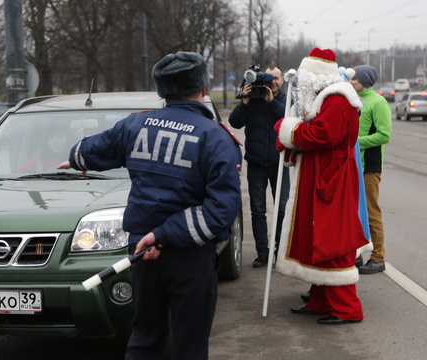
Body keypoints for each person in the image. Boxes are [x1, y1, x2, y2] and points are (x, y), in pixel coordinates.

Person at [58, 52, 242, 359]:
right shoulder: (216, 138)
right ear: (203, 89)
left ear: (162, 91)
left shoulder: (136, 124)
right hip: (190, 257)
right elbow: (221, 211)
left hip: (142, 253)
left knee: (146, 337)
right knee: (190, 343)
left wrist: (77, 157)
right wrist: (166, 235)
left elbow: (99, 147)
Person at [275, 48, 370, 325]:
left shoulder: (338, 99)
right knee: (317, 237)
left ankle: (348, 308)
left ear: (314, 76)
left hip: (331, 177)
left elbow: (323, 135)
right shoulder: (329, 97)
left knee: (332, 241)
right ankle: (320, 300)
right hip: (324, 172)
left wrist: (290, 131)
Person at [229, 64, 289, 268]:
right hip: (255, 164)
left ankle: (280, 251)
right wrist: (244, 101)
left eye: (277, 78)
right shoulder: (252, 99)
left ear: (282, 81)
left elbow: (288, 121)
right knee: (258, 210)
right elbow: (235, 122)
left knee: (282, 209)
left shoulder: (284, 100)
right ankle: (262, 253)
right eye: (269, 77)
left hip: (280, 164)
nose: (273, 81)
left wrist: (271, 102)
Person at [350, 65, 392, 274]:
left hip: (369, 168)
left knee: (371, 213)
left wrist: (356, 142)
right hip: (353, 166)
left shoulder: (378, 102)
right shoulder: (354, 99)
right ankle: (356, 255)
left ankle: (378, 257)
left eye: (354, 79)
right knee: (353, 214)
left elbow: (385, 135)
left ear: (364, 81)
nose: (351, 82)